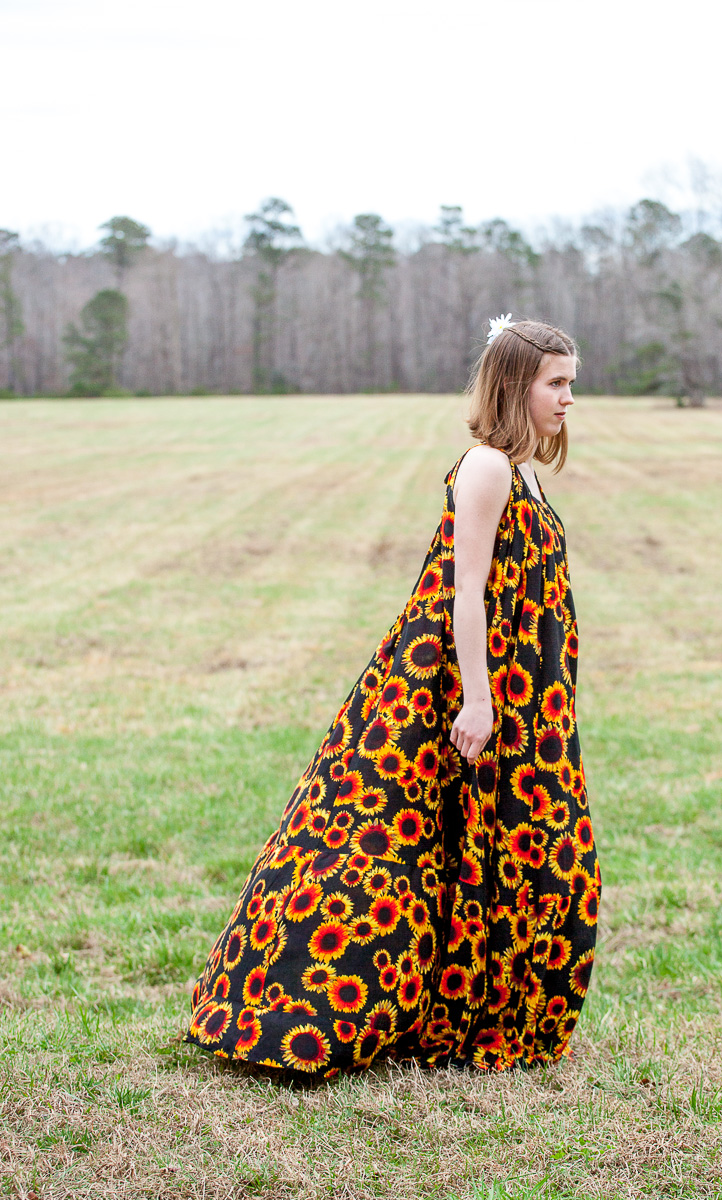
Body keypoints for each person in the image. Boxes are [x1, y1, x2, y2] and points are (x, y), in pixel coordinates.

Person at [185, 316, 600, 1077]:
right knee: (399, 853)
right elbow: (464, 594)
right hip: (467, 690)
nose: (570, 397)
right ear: (515, 385)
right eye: (557, 383)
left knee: (503, 849)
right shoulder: (486, 467)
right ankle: (325, 1008)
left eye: (571, 381)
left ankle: (479, 1009)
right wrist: (478, 701)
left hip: (527, 698)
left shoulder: (527, 470)